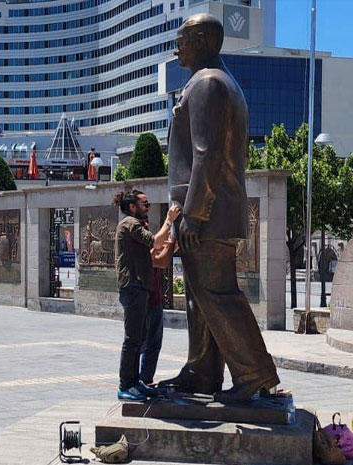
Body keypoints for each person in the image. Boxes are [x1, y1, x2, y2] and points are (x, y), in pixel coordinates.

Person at [161, 13, 280, 402]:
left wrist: (193, 214)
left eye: (182, 39)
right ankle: (202, 371)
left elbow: (206, 154)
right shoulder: (217, 81)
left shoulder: (209, 83)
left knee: (216, 296)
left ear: (202, 40)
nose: (176, 47)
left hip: (206, 216)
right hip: (209, 212)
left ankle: (255, 374)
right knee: (200, 299)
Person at [113, 190, 180, 400]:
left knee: (140, 337)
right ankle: (126, 385)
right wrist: (169, 220)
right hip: (132, 287)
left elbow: (156, 251)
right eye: (145, 204)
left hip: (140, 287)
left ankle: (136, 382)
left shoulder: (135, 225)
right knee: (132, 339)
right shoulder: (129, 224)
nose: (148, 207)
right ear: (132, 206)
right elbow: (156, 243)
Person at [139, 219, 176, 385]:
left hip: (154, 300)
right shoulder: (141, 250)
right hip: (148, 301)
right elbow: (161, 261)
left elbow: (166, 253)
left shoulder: (149, 249)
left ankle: (144, 378)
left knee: (150, 342)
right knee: (149, 343)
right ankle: (143, 379)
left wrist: (173, 242)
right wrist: (169, 221)